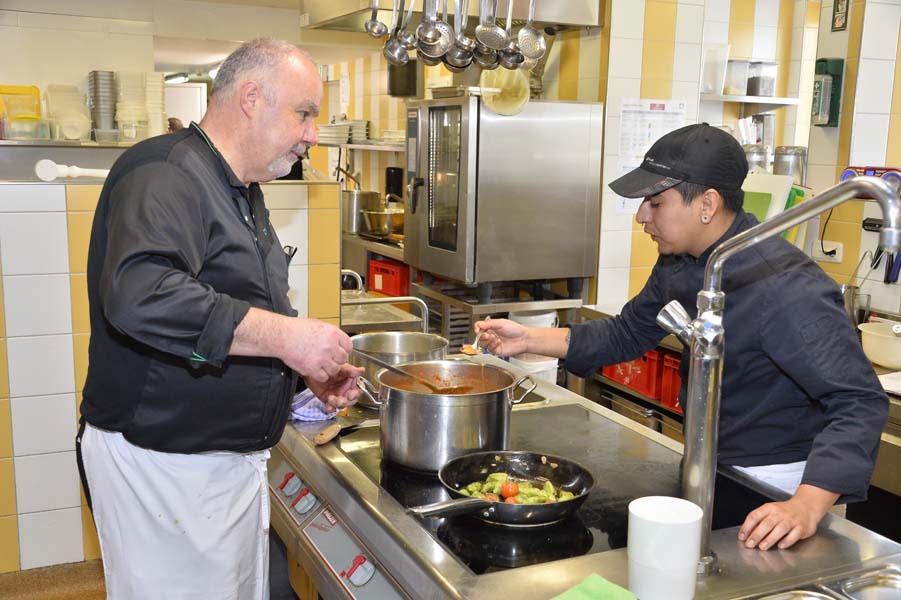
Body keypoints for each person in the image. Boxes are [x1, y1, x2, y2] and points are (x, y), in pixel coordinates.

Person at [475, 123, 888, 552]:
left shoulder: (786, 286)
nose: (641, 218)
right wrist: (526, 339)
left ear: (707, 204)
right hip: (711, 465)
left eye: (655, 203)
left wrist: (806, 504)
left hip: (779, 486)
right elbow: (627, 332)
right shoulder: (683, 263)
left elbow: (859, 400)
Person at [78, 39, 362, 599]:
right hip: (163, 464)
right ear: (252, 98)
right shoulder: (166, 173)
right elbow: (141, 294)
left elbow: (238, 300)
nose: (313, 133)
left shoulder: (242, 188)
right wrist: (287, 337)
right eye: (305, 114)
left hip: (213, 464)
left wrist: (299, 362)